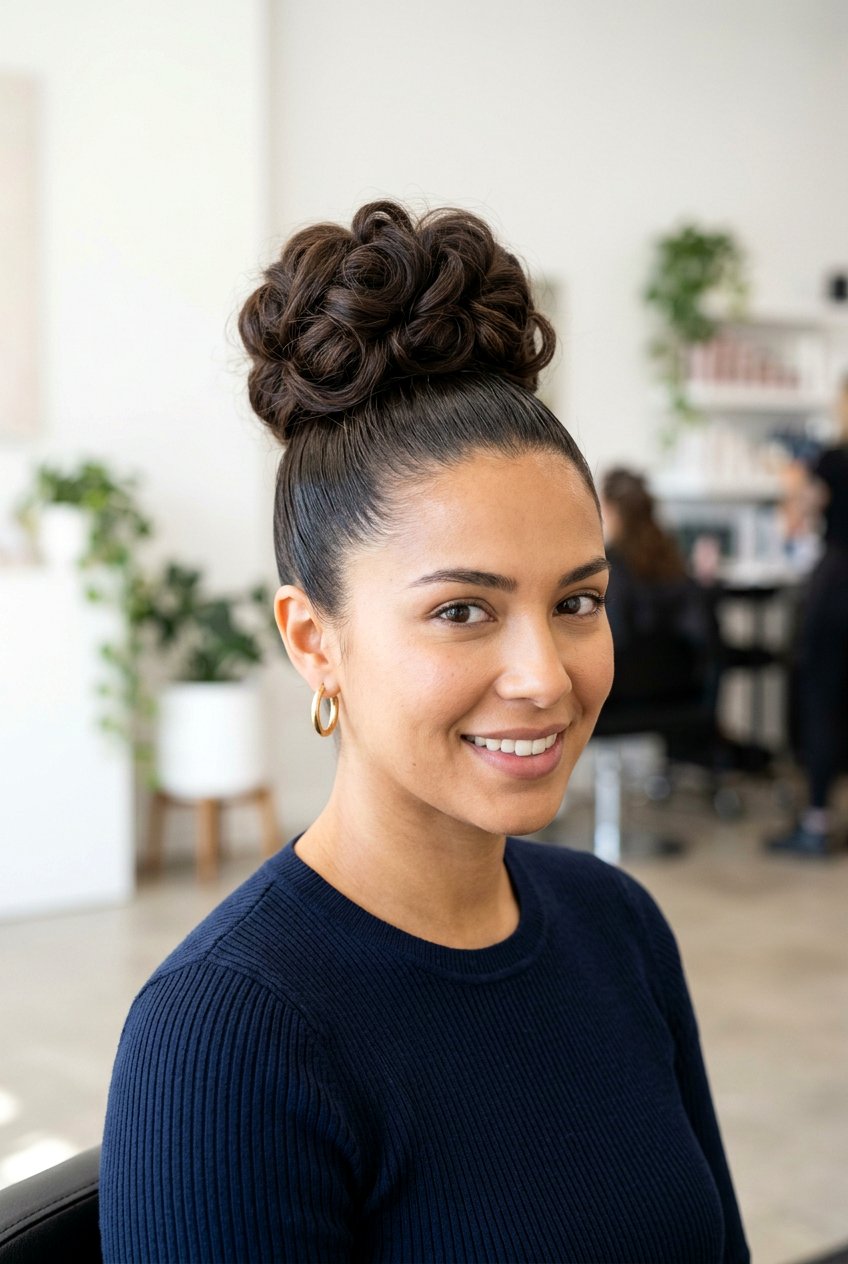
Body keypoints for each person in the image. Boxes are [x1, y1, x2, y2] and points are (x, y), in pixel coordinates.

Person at [99, 201, 749, 1262]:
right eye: (461, 610)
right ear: (313, 641)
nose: (545, 677)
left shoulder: (619, 926)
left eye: (576, 601)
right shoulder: (226, 1037)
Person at [768, 379, 848, 857]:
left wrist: (792, 484)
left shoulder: (832, 460)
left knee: (822, 700)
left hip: (838, 589)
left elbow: (795, 521)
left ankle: (817, 820)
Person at [600, 466, 718, 712]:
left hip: (626, 693)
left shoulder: (611, 566)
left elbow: (613, 638)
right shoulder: (673, 557)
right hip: (682, 688)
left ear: (611, 510)